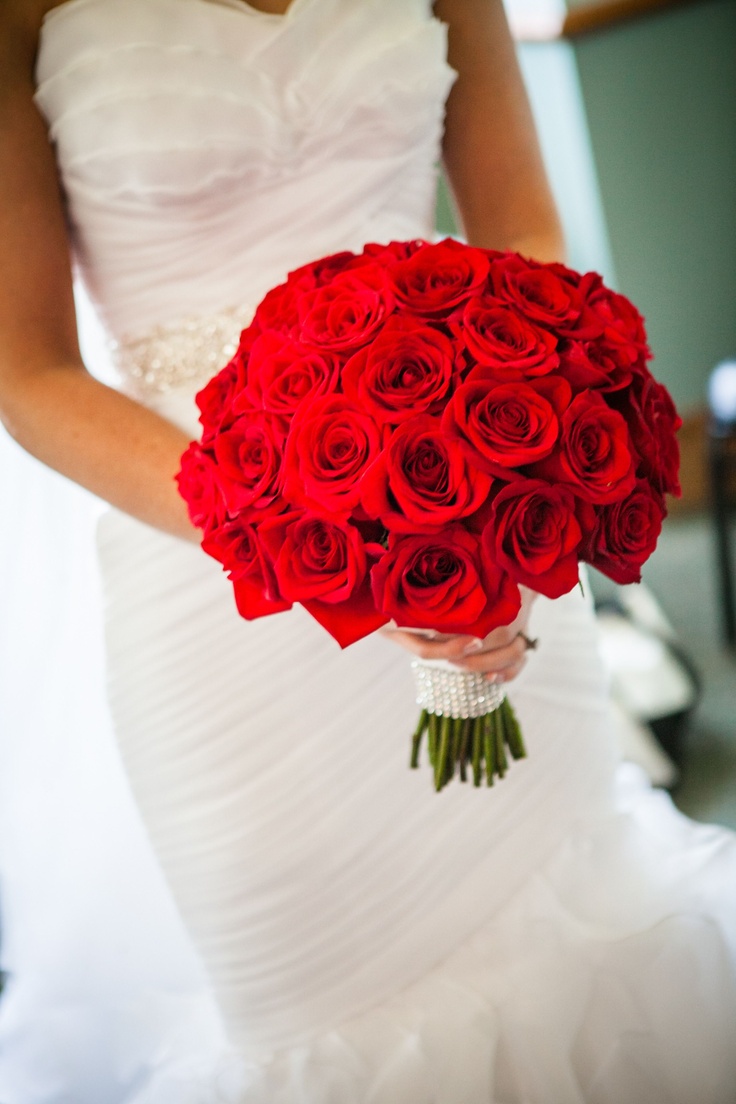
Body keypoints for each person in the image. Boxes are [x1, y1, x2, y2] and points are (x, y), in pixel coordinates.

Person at [0, 0, 735, 1101]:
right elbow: (28, 370)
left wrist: (493, 492)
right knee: (318, 1011)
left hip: (471, 510)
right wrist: (296, 535)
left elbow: (523, 232)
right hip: (204, 571)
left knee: (568, 920)